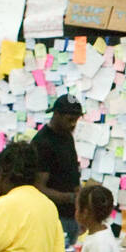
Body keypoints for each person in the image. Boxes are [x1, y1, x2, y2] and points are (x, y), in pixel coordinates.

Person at [32, 95, 83, 244]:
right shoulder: (42, 143)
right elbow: (38, 187)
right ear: (56, 114)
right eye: (69, 119)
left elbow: (71, 174)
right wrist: (70, 197)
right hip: (53, 216)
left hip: (71, 214)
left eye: (76, 120)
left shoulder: (67, 137)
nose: (73, 124)